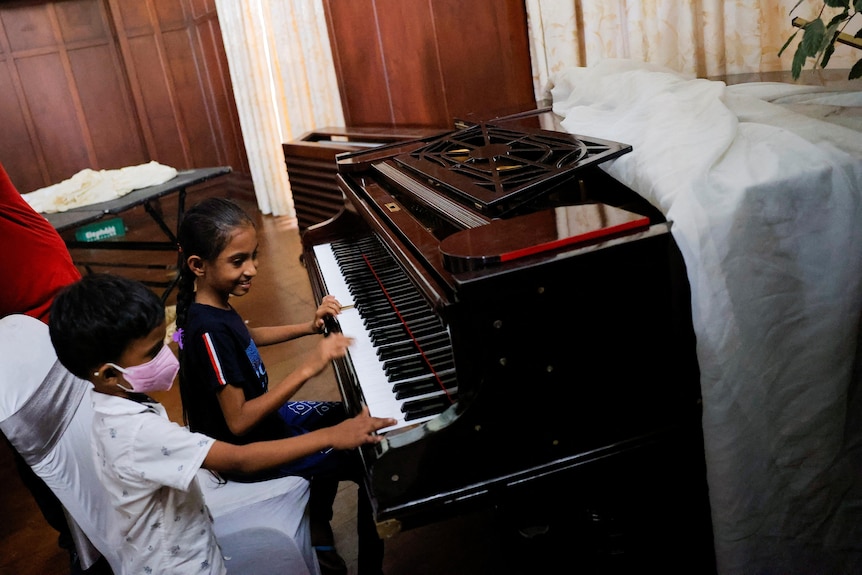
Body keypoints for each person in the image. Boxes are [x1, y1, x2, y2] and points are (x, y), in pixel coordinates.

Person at [47, 272, 395, 575]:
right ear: (109, 374)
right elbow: (238, 458)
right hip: (179, 564)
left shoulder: (110, 403)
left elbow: (237, 335)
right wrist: (332, 434)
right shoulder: (137, 433)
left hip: (173, 548)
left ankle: (318, 527)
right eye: (154, 352)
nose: (168, 354)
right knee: (350, 447)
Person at [173, 197, 387, 575]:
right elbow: (238, 422)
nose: (252, 269)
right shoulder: (206, 330)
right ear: (198, 265)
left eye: (254, 256)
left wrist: (308, 327)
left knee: (349, 415)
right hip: (250, 452)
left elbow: (247, 336)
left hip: (267, 427)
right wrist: (308, 366)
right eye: (238, 261)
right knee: (370, 460)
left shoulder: (209, 304)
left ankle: (317, 518)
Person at [0, 161, 110, 575]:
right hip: (14, 340)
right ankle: (78, 541)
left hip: (59, 312)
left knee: (104, 420)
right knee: (36, 451)